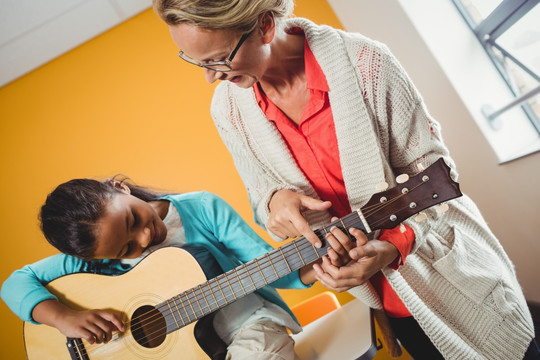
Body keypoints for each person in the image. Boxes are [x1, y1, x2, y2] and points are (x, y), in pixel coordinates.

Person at [151, 1, 539, 359]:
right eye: (195, 61)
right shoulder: (228, 110)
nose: (209, 78)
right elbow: (261, 195)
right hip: (388, 300)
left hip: (455, 274)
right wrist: (275, 201)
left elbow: (438, 179)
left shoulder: (367, 63)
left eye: (218, 59)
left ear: (265, 26)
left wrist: (394, 246)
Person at [1, 177, 318, 360]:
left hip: (247, 324)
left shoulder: (201, 208)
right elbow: (15, 283)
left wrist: (319, 267)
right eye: (127, 249)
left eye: (133, 220)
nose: (145, 236)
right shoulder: (95, 259)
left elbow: (262, 263)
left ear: (119, 188)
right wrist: (65, 318)